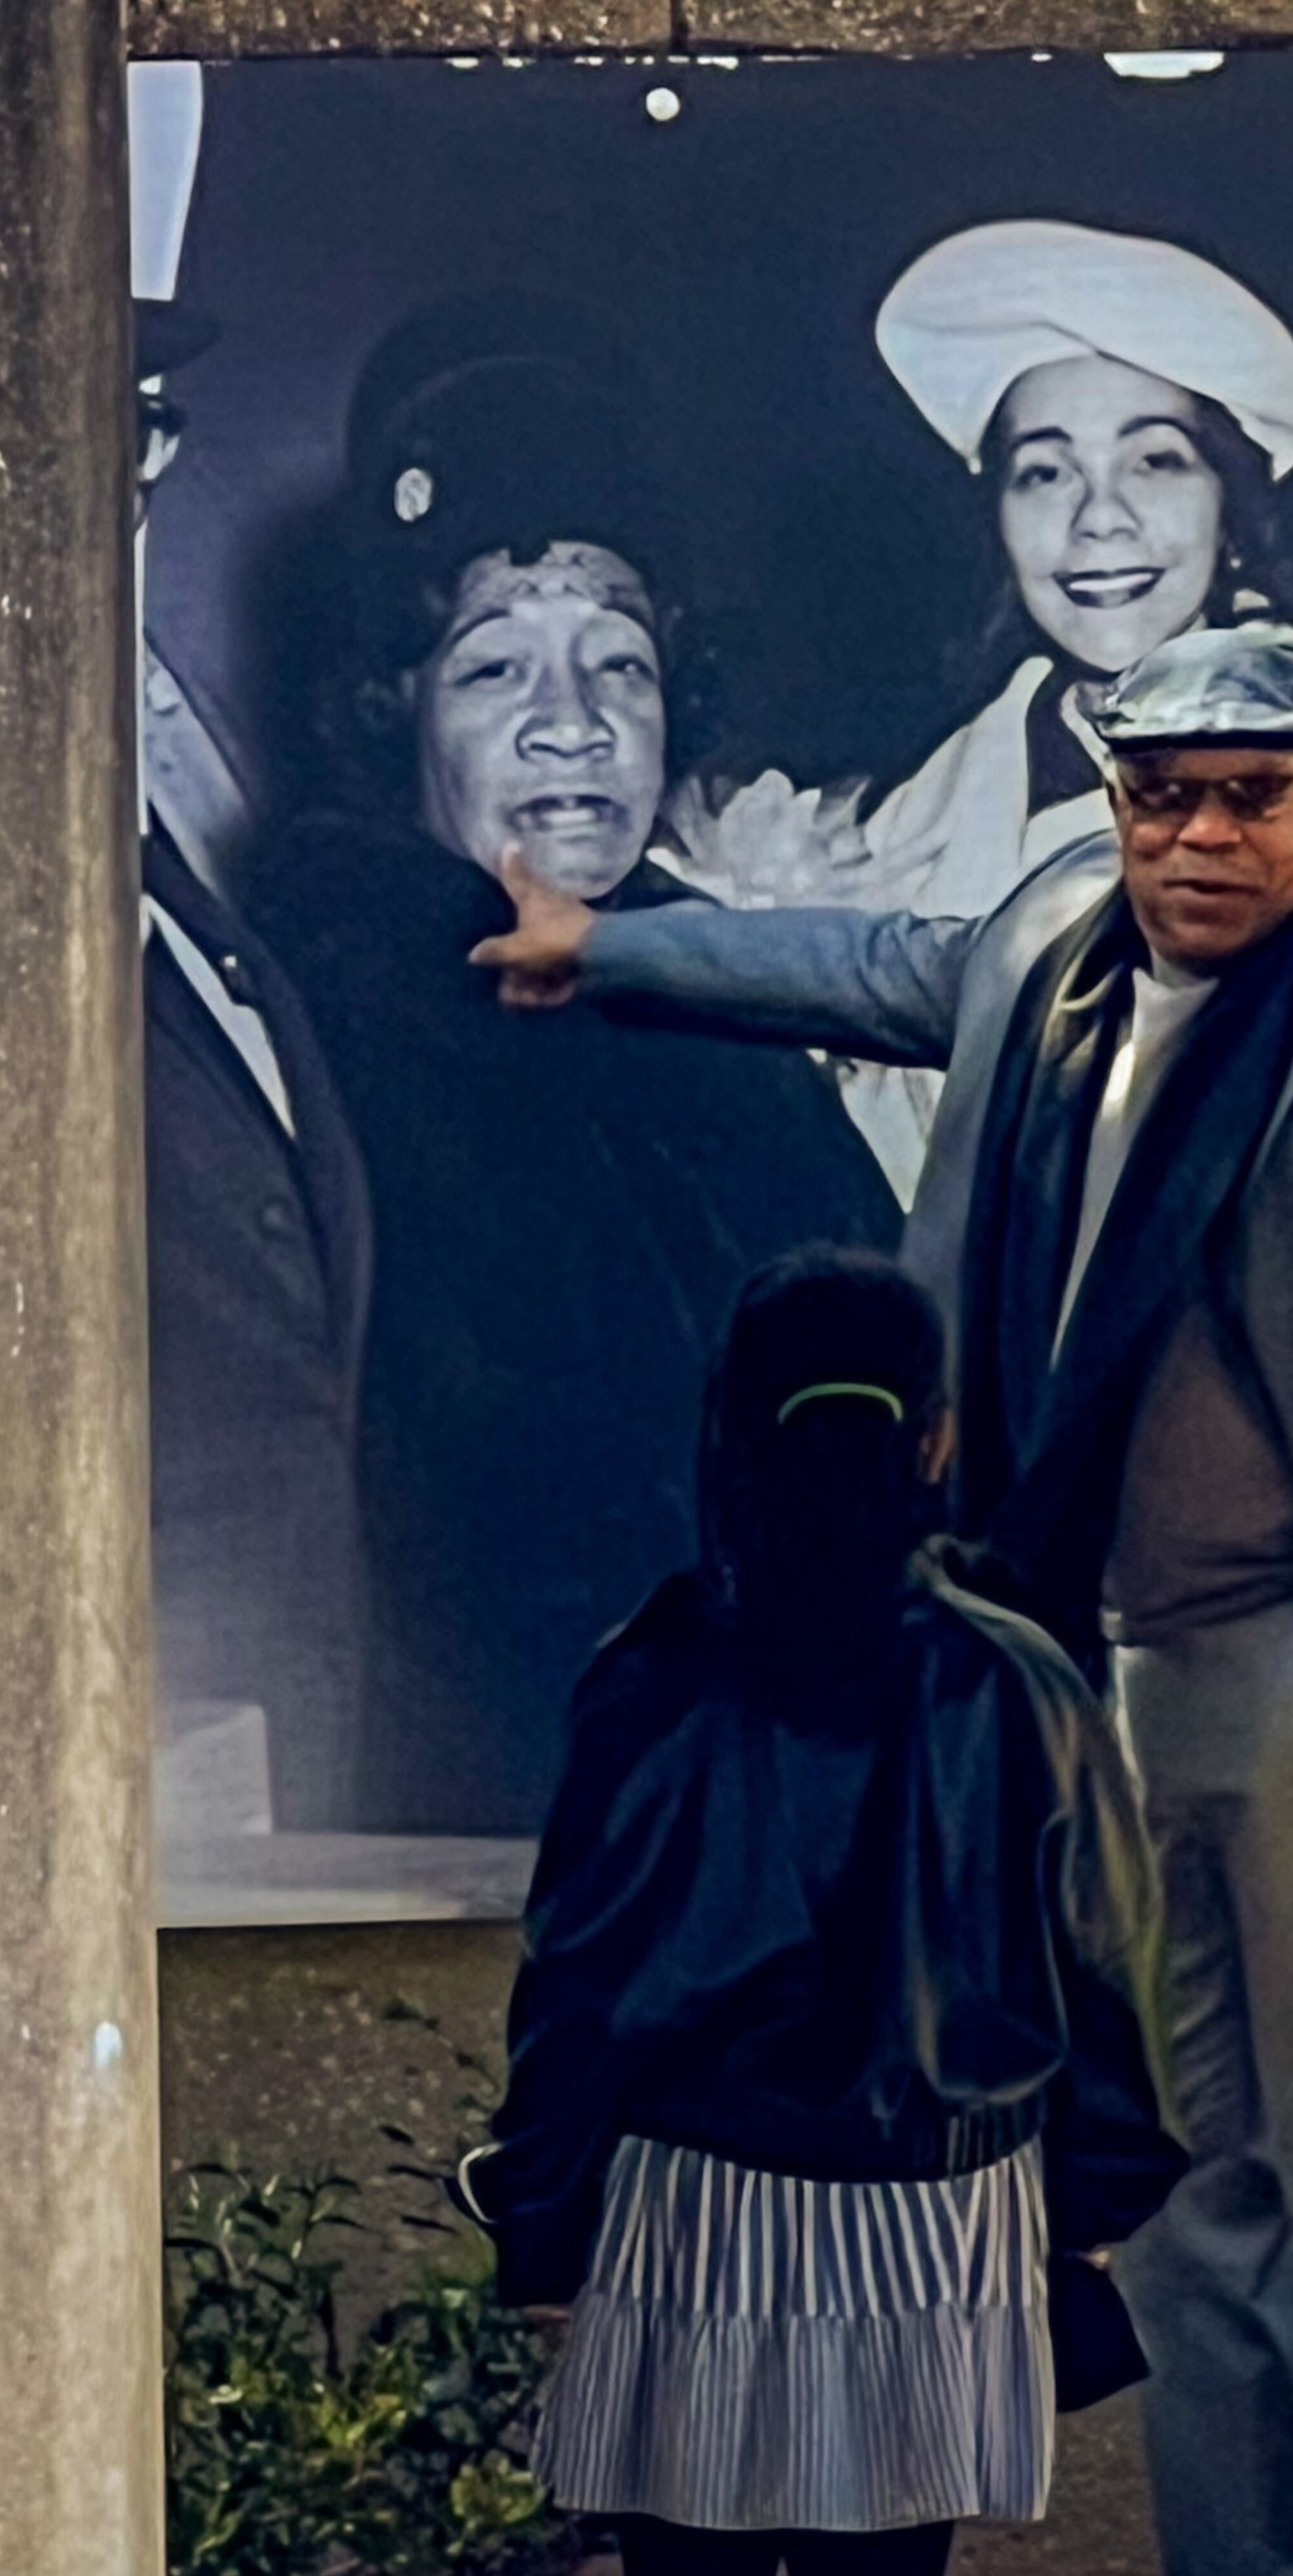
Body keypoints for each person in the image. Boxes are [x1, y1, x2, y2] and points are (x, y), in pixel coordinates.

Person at [476, 626, 1293, 2576]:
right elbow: (873, 971)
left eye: (1248, 792)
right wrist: (607, 952)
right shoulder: (1054, 944)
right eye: (1162, 793)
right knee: (1174, 2196)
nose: (1201, 833)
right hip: (1077, 1665)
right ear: (1109, 798)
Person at [462, 1251, 1183, 2576]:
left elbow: (583, 1980)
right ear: (933, 1434)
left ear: (731, 1424)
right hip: (942, 2206)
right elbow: (1104, 1957)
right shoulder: (1020, 1676)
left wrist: (540, 2216)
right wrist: (1092, 2201)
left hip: (690, 2204)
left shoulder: (656, 1671)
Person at [256, 296, 898, 1835]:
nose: (573, 725)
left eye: (618, 663)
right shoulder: (332, 1024)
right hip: (525, 1835)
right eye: (493, 671)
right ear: (388, 709)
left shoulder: (723, 995)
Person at [663, 219, 1293, 1199]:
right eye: (1045, 470)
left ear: (1228, 505)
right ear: (998, 517)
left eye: (1154, 461)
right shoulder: (907, 841)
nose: (1097, 518)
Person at [132, 73, 373, 1836]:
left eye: (138, 423)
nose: (122, 479)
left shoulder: (160, 849)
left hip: (290, 1735)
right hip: (126, 1746)